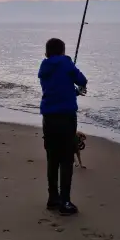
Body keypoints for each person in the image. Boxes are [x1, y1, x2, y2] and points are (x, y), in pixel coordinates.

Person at [38, 37, 87, 215]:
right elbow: (82, 80)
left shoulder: (44, 68)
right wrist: (78, 87)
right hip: (66, 117)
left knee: (53, 159)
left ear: (47, 52)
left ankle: (53, 198)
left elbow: (56, 88)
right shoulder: (66, 64)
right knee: (66, 159)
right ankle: (65, 202)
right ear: (62, 51)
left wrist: (73, 91)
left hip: (48, 118)